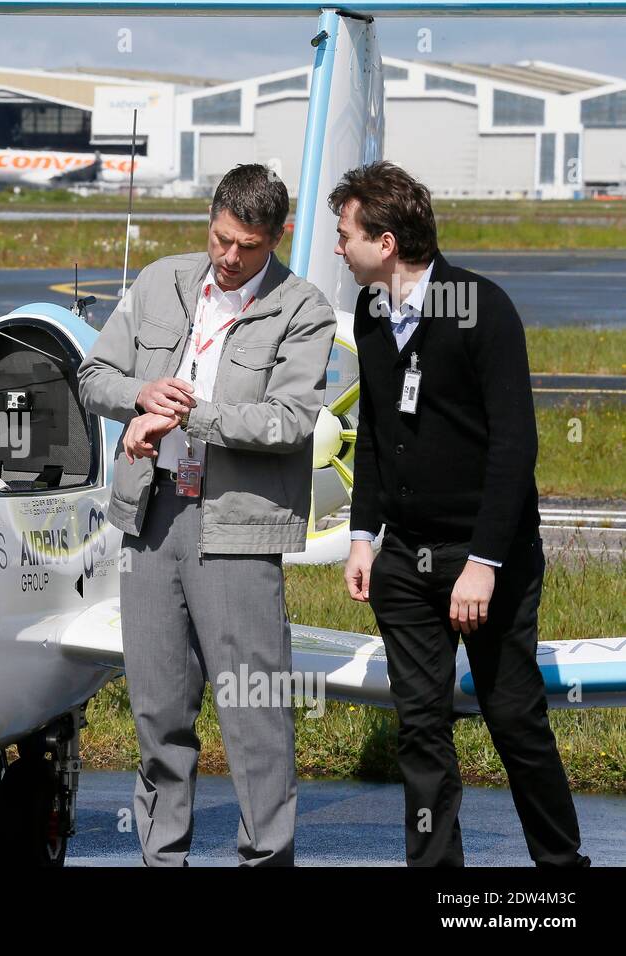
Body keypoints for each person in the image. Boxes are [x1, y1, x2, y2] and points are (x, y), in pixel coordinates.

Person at [330, 160, 588, 867]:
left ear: (384, 243)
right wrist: (363, 534)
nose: (336, 247)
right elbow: (379, 432)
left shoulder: (484, 308)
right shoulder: (371, 312)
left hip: (488, 559)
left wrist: (482, 563)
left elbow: (516, 446)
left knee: (514, 721)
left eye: (344, 233)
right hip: (405, 561)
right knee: (420, 729)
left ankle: (563, 870)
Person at [78, 163, 336, 866]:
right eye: (221, 239)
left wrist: (193, 415)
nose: (228, 258)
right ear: (212, 221)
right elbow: (93, 375)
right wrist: (141, 395)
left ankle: (266, 858)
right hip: (151, 516)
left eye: (247, 248)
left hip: (237, 526)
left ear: (274, 238)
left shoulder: (303, 307)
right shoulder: (160, 280)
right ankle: (163, 857)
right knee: (158, 709)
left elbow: (290, 420)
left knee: (254, 715)